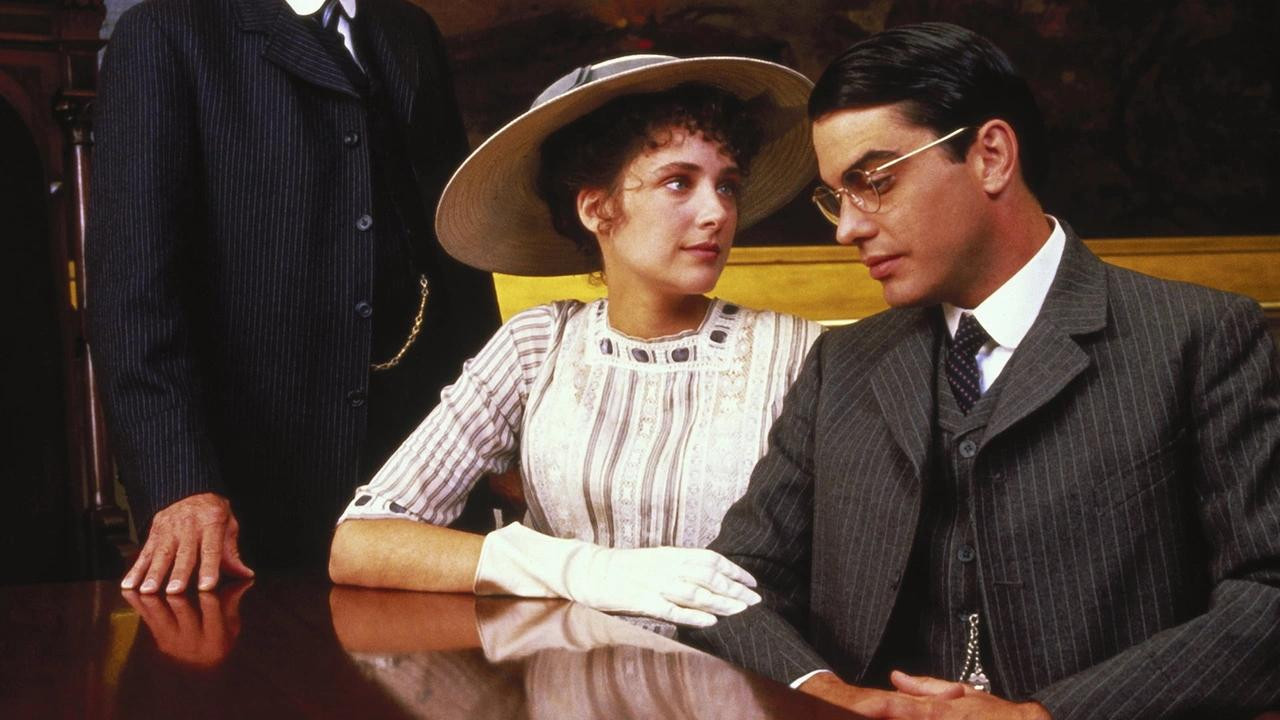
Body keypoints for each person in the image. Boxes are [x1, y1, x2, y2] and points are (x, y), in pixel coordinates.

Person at [684, 22, 1280, 720]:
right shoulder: (842, 364)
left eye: (873, 182)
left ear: (991, 156)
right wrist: (835, 698)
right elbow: (728, 587)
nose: (848, 228)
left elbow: (1267, 593)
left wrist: (1042, 716)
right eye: (837, 195)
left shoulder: (1198, 337)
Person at [327, 54, 825, 628]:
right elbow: (360, 543)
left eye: (728, 186)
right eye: (678, 182)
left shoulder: (800, 353)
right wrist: (583, 570)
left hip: (740, 676)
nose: (717, 212)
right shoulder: (538, 345)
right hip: (562, 670)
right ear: (597, 208)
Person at [88, 0, 500, 593]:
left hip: (428, 464)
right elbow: (133, 299)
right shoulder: (162, 32)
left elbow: (458, 250)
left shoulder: (409, 30)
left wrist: (504, 437)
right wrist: (181, 483)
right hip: (252, 486)